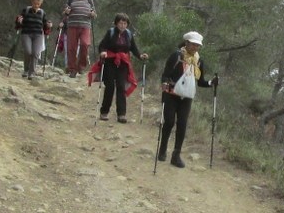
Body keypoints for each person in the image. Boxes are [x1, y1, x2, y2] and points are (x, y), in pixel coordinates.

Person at [158, 31, 217, 168]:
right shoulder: (176, 56)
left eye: (198, 45)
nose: (196, 47)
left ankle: (176, 155)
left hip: (187, 97)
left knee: (182, 124)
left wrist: (211, 83)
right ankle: (162, 149)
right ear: (187, 43)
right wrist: (165, 82)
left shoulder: (199, 61)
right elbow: (165, 74)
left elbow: (200, 81)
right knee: (169, 121)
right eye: (194, 44)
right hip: (171, 93)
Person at [90, 13, 147, 122]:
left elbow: (133, 48)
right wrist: (102, 52)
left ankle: (121, 114)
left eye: (125, 23)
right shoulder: (110, 33)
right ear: (116, 23)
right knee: (110, 86)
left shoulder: (129, 35)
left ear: (127, 25)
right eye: (120, 23)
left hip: (123, 64)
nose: (122, 25)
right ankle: (104, 112)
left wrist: (140, 56)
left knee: (121, 87)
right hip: (110, 62)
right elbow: (102, 45)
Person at [62, 0, 97, 77]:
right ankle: (72, 69)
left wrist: (92, 14)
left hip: (85, 26)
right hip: (72, 26)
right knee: (71, 48)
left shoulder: (89, 0)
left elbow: (94, 13)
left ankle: (81, 66)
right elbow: (65, 11)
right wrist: (67, 11)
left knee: (85, 44)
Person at [14, 0, 51, 80]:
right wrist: (19, 20)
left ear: (41, 3)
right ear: (32, 2)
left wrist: (49, 25)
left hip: (38, 35)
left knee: (35, 53)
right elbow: (19, 22)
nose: (36, 5)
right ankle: (26, 70)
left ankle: (32, 73)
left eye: (38, 4)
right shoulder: (26, 10)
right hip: (26, 33)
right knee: (28, 51)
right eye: (35, 3)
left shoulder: (42, 13)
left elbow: (45, 25)